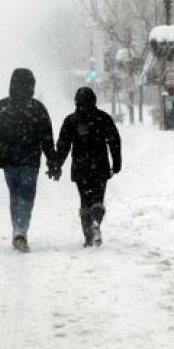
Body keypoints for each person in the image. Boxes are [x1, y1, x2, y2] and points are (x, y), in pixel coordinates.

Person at [0, 68, 57, 252]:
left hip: (9, 160)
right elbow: (46, 138)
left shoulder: (1, 107)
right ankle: (21, 230)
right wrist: (52, 162)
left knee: (15, 195)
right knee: (27, 195)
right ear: (31, 85)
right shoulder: (37, 108)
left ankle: (17, 229)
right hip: (30, 160)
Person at [54, 87, 121, 247]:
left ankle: (88, 235)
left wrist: (57, 165)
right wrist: (116, 163)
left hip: (80, 167)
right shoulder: (103, 118)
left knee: (85, 201)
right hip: (100, 166)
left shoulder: (71, 120)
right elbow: (114, 141)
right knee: (98, 198)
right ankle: (96, 221)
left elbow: (63, 145)